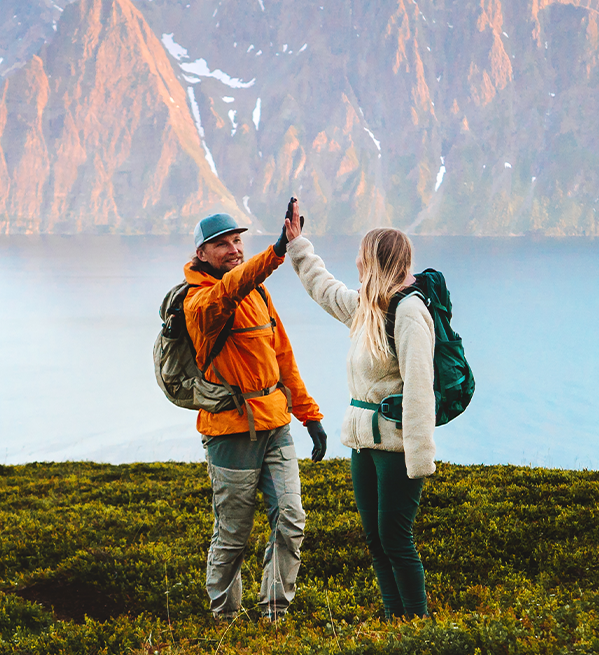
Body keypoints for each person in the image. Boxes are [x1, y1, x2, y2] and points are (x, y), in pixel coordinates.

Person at [284, 200, 435, 619]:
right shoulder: (368, 308)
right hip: (363, 443)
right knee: (375, 538)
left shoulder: (409, 312)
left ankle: (418, 624)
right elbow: (324, 288)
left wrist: (419, 460)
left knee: (396, 539)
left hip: (397, 448)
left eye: (362, 257)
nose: (355, 262)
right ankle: (393, 619)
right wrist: (298, 246)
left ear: (379, 262)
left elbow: (422, 391)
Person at [183, 210, 327, 621]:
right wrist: (277, 251)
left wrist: (309, 415)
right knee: (232, 535)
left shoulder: (259, 293)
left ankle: (274, 615)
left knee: (291, 519)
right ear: (202, 253)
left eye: (237, 242)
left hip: (275, 423)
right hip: (230, 431)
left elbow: (282, 356)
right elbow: (228, 290)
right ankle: (224, 621)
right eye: (223, 244)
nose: (234, 249)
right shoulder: (201, 302)